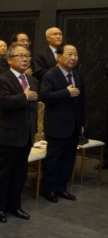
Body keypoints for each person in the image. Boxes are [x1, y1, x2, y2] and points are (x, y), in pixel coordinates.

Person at [0, 44, 38, 222]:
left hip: (26, 135)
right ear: (10, 60)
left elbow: (33, 110)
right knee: (3, 174)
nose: (25, 59)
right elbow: (3, 102)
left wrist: (34, 130)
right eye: (21, 56)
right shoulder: (2, 80)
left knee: (20, 174)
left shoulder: (32, 80)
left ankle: (14, 206)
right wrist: (24, 97)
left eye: (27, 56)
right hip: (7, 136)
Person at [39, 43, 85, 203]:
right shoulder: (50, 75)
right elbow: (45, 96)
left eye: (76, 54)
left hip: (74, 126)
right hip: (56, 125)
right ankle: (49, 189)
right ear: (59, 56)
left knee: (68, 159)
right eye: (70, 54)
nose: (73, 58)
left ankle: (61, 187)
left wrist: (82, 123)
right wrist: (66, 93)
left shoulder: (78, 76)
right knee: (54, 159)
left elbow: (81, 102)